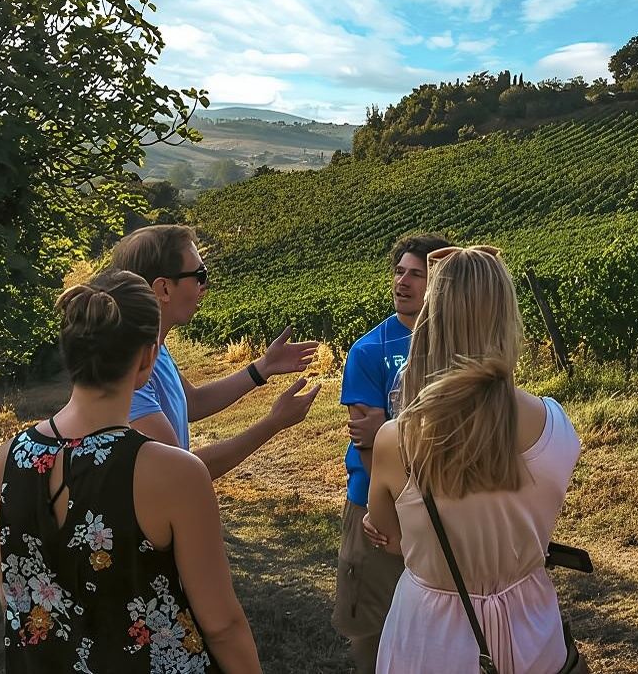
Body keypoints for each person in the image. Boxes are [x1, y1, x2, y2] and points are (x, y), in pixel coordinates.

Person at [0, 270, 309, 672]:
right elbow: (222, 624)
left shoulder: (9, 458)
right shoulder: (174, 473)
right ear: (148, 357)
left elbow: (12, 598)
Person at [362, 245, 581, 674]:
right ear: (507, 318)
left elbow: (388, 532)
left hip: (431, 641)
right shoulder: (556, 424)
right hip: (533, 632)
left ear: (431, 323)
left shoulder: (398, 439)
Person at [109, 224, 319, 479]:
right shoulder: (130, 371)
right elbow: (179, 471)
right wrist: (273, 423)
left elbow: (193, 403)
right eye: (199, 274)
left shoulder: (155, 349)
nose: (204, 286)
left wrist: (263, 367)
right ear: (163, 288)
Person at [332, 232, 451, 672]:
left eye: (416, 274)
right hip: (377, 513)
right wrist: (393, 516)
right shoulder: (369, 350)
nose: (403, 281)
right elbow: (367, 445)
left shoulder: (454, 345)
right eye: (399, 271)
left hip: (444, 507)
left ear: (437, 283)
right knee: (374, 636)